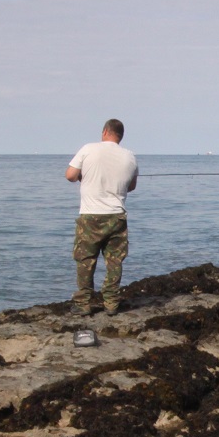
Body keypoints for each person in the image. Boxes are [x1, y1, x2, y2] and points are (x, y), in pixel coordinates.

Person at [65, 118, 138, 315]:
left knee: (86, 260)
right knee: (114, 261)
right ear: (120, 136)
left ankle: (83, 304)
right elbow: (131, 186)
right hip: (117, 216)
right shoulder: (130, 156)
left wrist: (83, 176)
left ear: (105, 132)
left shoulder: (89, 148)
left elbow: (70, 175)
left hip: (90, 216)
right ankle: (112, 303)